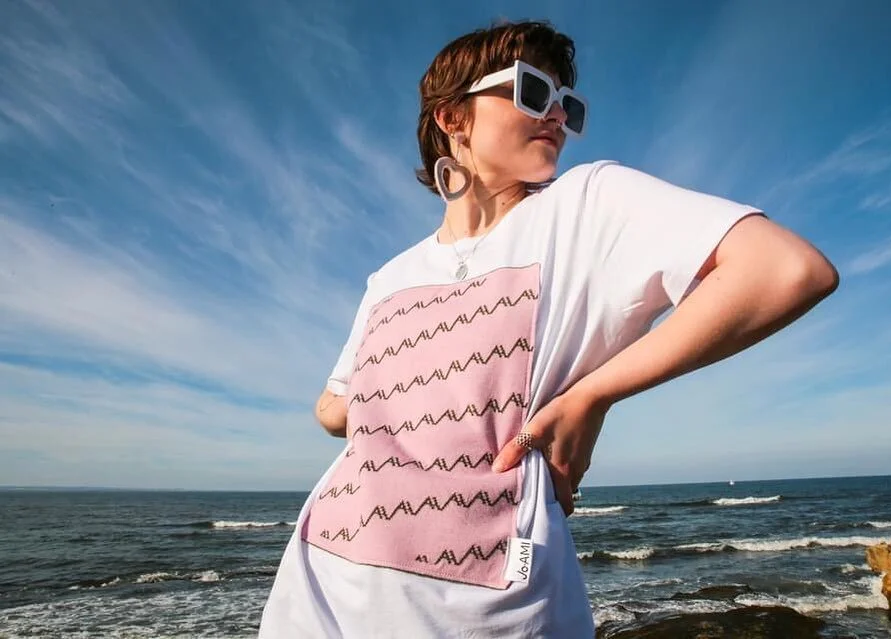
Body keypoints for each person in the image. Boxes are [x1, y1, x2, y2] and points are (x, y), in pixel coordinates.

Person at [258, 19, 838, 638]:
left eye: (568, 104)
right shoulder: (391, 277)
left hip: (486, 614)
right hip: (319, 592)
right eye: (534, 91)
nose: (557, 115)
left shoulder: (585, 204)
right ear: (453, 117)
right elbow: (333, 408)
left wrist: (593, 394)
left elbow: (785, 270)